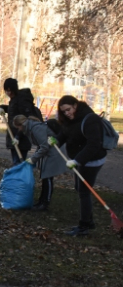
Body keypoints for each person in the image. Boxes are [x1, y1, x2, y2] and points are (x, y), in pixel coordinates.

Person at [51, 95, 107, 236]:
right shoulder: (70, 120)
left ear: (75, 105)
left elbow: (94, 144)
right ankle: (89, 221)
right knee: (80, 188)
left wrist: (78, 161)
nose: (67, 113)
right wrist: (56, 140)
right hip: (79, 159)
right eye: (63, 111)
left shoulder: (90, 119)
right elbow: (64, 133)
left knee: (83, 190)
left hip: (93, 159)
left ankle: (84, 226)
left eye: (68, 109)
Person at [13, 115, 67, 211]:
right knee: (44, 176)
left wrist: (33, 159)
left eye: (18, 127)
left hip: (55, 152)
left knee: (47, 177)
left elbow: (44, 147)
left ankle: (45, 203)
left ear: (21, 124)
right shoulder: (30, 127)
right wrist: (34, 158)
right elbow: (41, 145)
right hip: (49, 152)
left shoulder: (36, 128)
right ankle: (41, 201)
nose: (19, 130)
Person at [4, 78, 36, 165]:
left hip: (22, 137)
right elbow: (13, 111)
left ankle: (20, 178)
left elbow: (25, 120)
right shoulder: (14, 100)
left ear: (15, 89)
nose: (8, 93)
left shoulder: (22, 100)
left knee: (18, 163)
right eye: (6, 91)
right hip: (13, 135)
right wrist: (2, 107)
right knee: (16, 162)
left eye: (10, 90)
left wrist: (18, 136)